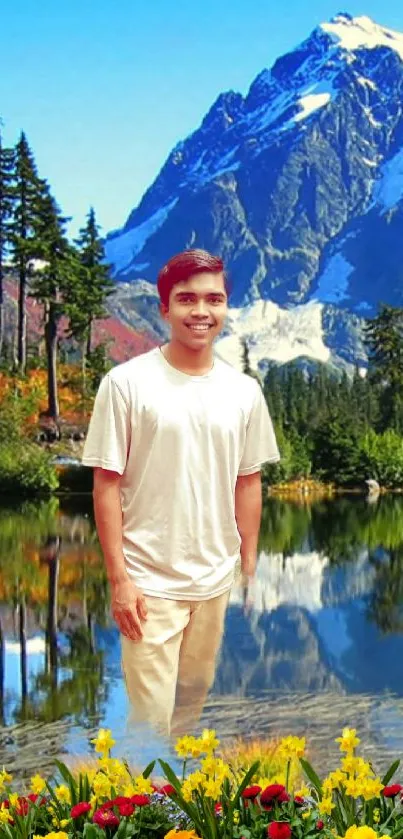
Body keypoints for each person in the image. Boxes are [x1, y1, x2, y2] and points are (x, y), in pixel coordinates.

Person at [81, 248, 280, 738]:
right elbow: (105, 484)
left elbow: (247, 479)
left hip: (213, 581)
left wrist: (247, 561)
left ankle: (177, 812)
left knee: (189, 712)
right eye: (186, 299)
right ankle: (137, 811)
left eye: (213, 299)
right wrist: (119, 581)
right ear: (164, 309)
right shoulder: (126, 384)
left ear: (226, 307)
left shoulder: (244, 391)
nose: (201, 311)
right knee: (149, 722)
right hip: (148, 583)